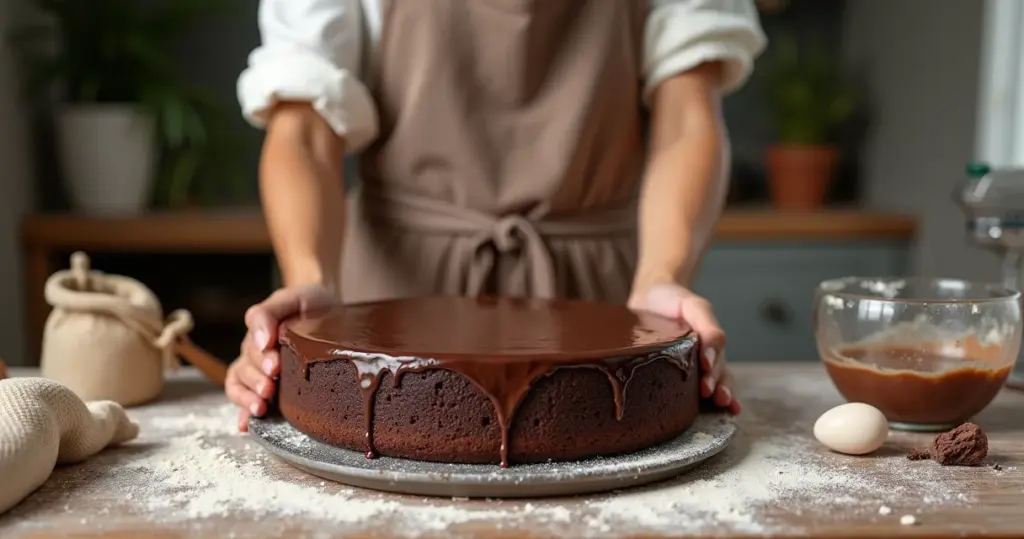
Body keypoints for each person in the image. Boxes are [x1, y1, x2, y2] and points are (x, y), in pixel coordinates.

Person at [227, 0, 766, 431]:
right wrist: (311, 280)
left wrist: (662, 276)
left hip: (606, 303)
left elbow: (687, 113)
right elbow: (303, 127)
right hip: (385, 306)